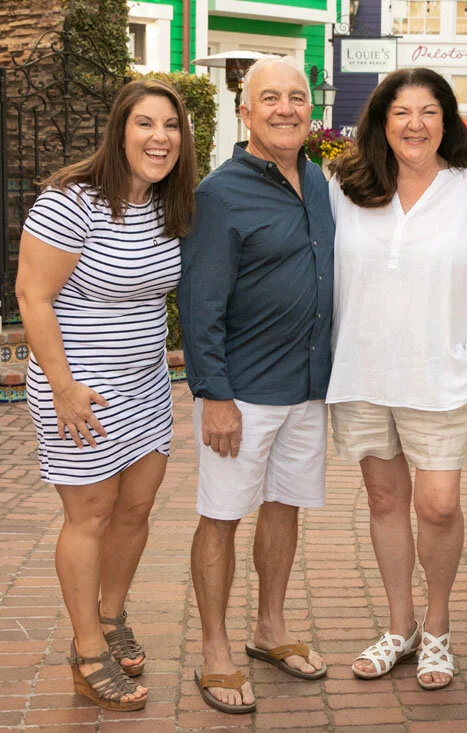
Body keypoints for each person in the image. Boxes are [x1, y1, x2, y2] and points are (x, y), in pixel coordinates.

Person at [326, 68, 467, 691]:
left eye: (429, 111)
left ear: (448, 121)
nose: (414, 124)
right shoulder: (345, 186)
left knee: (438, 505)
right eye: (401, 112)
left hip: (439, 375)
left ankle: (437, 628)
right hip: (362, 371)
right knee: (384, 501)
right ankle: (400, 627)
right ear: (381, 121)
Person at [16, 79, 196, 711]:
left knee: (136, 510)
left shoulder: (165, 204)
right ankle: (87, 650)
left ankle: (112, 616)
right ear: (119, 131)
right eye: (145, 123)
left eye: (171, 126)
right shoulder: (71, 201)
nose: (160, 137)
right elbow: (32, 297)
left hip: (147, 386)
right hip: (81, 389)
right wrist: (62, 389)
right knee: (88, 516)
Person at [178, 56, 334, 715]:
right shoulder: (219, 194)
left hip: (307, 386)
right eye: (269, 98)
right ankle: (215, 648)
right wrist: (214, 393)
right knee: (220, 517)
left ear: (311, 109)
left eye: (296, 97)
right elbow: (199, 301)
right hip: (240, 394)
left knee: (284, 506)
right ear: (246, 111)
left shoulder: (320, 183)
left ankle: (269, 628)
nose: (285, 109)